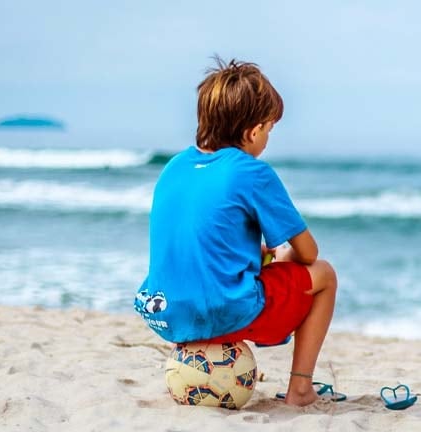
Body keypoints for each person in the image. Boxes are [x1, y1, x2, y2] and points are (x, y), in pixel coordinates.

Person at [135, 57, 338, 407]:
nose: (267, 140)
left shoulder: (174, 166)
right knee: (324, 276)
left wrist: (258, 254)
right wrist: (284, 255)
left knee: (238, 270)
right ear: (253, 132)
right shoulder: (252, 172)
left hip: (165, 312)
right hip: (224, 311)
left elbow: (200, 241)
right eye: (269, 130)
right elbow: (308, 253)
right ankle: (301, 389)